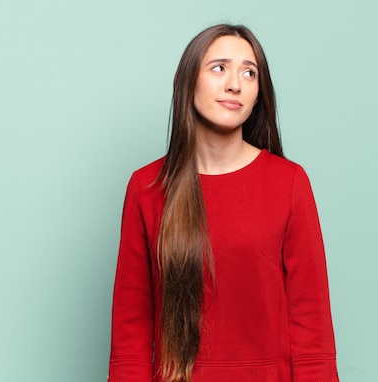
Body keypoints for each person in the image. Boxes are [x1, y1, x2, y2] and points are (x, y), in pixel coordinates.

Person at [109, 24, 339, 382]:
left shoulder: (289, 183)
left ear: (259, 94)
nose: (236, 83)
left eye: (249, 73)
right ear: (189, 82)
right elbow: (130, 332)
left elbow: (312, 328)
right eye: (219, 68)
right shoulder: (147, 187)